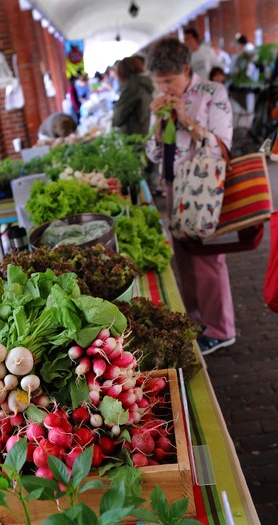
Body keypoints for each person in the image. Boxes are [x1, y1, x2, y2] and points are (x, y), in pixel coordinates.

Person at [145, 37, 235, 355]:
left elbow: (221, 147)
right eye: (159, 83)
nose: (165, 89)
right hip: (173, 185)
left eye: (169, 81)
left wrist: (186, 120)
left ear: (186, 70)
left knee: (209, 258)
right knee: (186, 257)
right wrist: (158, 125)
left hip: (204, 187)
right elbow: (154, 154)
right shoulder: (162, 98)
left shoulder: (213, 93)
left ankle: (222, 329)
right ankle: (199, 323)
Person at [112, 55, 154, 136]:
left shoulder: (131, 86)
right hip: (145, 128)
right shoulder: (145, 81)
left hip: (135, 133)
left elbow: (118, 118)